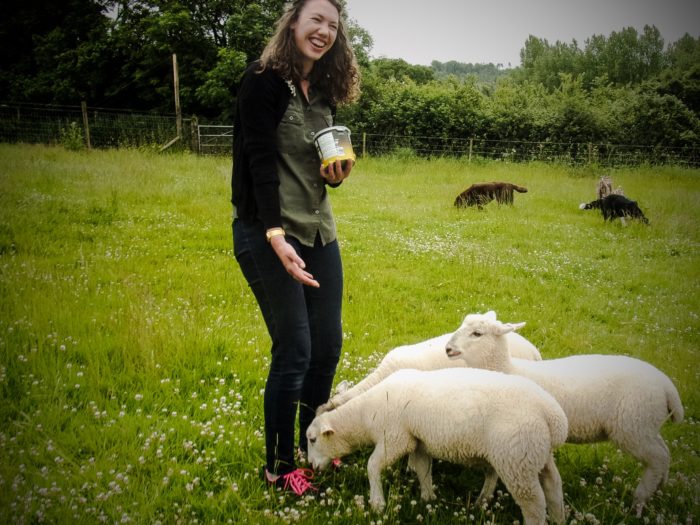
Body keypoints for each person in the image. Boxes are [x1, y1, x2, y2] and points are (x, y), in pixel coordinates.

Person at [231, 0, 360, 496]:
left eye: (333, 24)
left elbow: (316, 165)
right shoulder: (261, 81)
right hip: (268, 233)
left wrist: (338, 175)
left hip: (319, 232)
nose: (324, 31)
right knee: (296, 350)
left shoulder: (323, 91)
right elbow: (260, 162)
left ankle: (313, 447)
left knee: (327, 345)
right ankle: (280, 466)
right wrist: (275, 235)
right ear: (293, 23)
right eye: (316, 20)